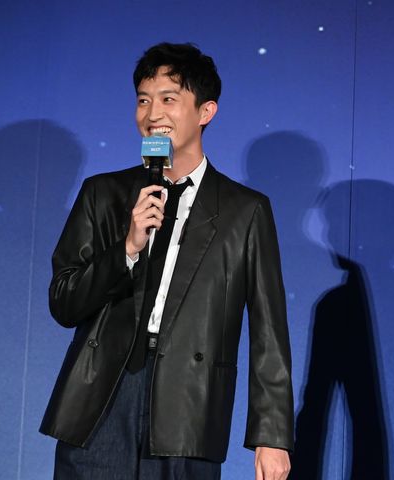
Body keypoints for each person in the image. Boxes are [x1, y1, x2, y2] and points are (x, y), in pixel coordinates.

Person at [40, 42, 293, 480]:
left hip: (189, 402)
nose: (152, 113)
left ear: (206, 111)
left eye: (168, 99)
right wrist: (127, 248)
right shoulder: (103, 194)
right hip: (101, 400)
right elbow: (64, 302)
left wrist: (272, 435)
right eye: (143, 100)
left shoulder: (244, 210)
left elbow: (269, 330)